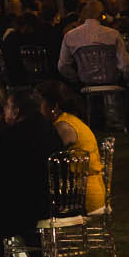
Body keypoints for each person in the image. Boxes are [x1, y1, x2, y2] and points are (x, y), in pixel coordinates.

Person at [0, 86, 64, 257]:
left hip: (20, 205)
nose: (4, 112)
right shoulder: (49, 129)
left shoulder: (13, 136)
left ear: (16, 111)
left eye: (7, 107)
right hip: (50, 200)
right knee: (26, 228)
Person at [36, 81, 105, 212]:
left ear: (54, 106)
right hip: (84, 192)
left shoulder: (63, 127)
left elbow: (42, 157)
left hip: (81, 199)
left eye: (40, 103)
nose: (38, 109)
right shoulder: (70, 120)